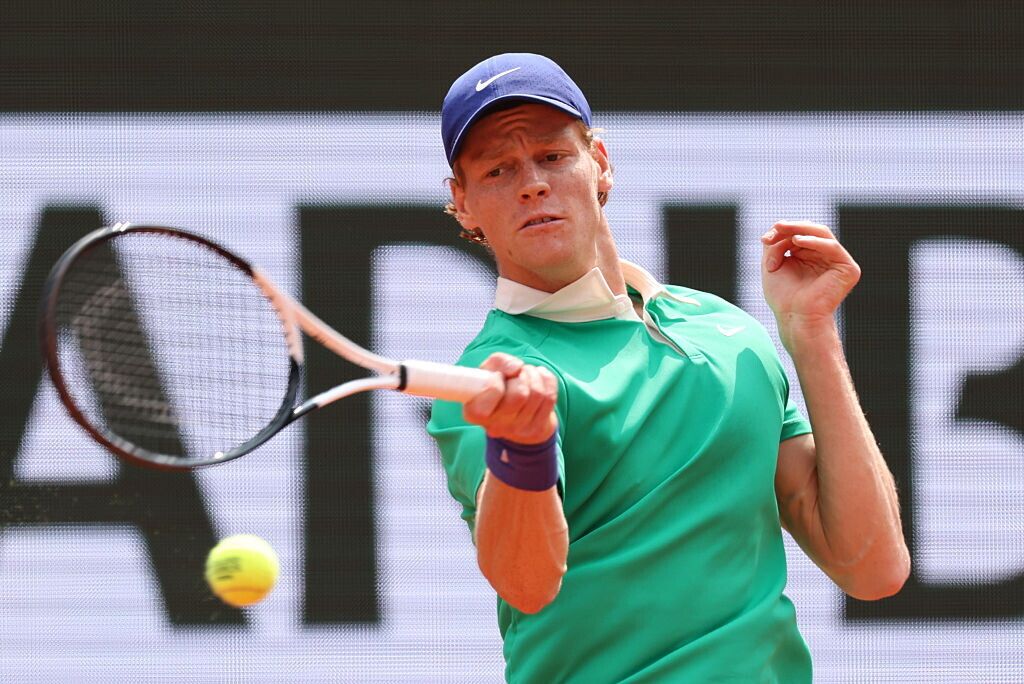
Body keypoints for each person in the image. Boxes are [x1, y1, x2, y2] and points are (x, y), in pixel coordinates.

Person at [426, 53, 910, 683]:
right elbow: (526, 582)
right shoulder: (491, 381)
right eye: (498, 169)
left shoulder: (727, 331)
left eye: (552, 155)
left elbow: (873, 569)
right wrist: (522, 447)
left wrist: (811, 335)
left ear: (600, 163)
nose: (532, 184)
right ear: (463, 203)